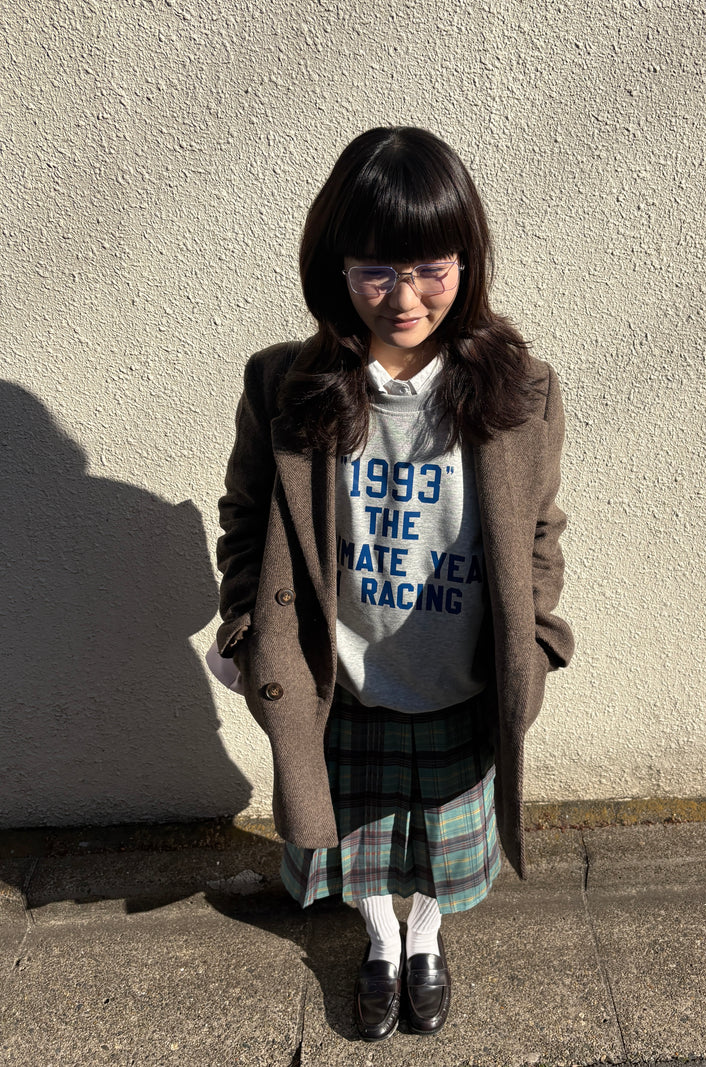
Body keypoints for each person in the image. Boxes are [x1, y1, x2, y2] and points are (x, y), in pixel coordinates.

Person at [213, 126, 574, 1041]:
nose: (405, 298)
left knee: (438, 855)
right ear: (335, 267)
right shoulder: (284, 385)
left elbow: (539, 527)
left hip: (462, 683)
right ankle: (380, 938)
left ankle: (425, 937)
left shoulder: (520, 390)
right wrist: (248, 625)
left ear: (466, 261)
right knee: (361, 847)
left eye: (429, 268)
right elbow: (246, 517)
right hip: (341, 684)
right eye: (376, 270)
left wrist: (536, 639)